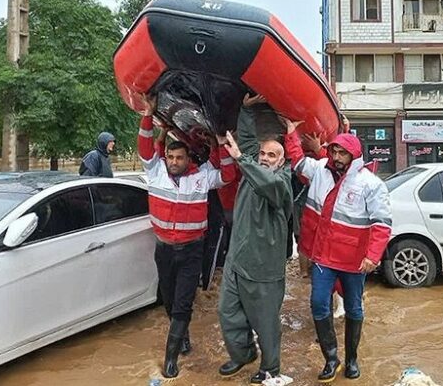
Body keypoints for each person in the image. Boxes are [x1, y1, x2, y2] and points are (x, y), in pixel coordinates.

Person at [284, 119, 392, 382]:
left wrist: (373, 256)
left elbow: (382, 223)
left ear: (354, 156)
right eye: (334, 151)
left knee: (354, 309)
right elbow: (298, 161)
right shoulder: (320, 169)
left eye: (342, 153)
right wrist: (290, 133)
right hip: (323, 257)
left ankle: (352, 359)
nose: (337, 157)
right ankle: (331, 358)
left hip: (354, 261)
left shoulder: (371, 184)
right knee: (318, 304)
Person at [138, 99, 235, 380]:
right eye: (171, 157)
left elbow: (228, 175)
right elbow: (145, 148)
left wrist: (220, 145)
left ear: (188, 159)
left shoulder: (202, 177)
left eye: (180, 158)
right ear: (166, 158)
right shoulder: (155, 172)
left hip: (193, 250)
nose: (175, 162)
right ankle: (183, 334)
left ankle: (171, 358)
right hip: (164, 250)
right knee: (169, 301)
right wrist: (148, 116)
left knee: (183, 302)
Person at [217, 95, 293, 384]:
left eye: (271, 155)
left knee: (267, 324)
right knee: (227, 312)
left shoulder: (281, 181)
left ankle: (270, 368)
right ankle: (243, 354)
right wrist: (246, 110)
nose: (264, 158)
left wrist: (241, 159)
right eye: (262, 153)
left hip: (264, 269)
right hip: (237, 259)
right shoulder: (253, 168)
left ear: (281, 161)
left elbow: (267, 181)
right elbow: (247, 144)